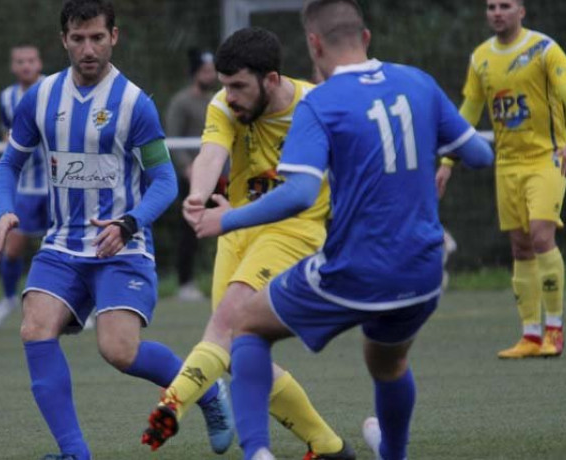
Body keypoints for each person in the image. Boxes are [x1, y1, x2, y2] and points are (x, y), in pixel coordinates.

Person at [186, 1, 494, 459]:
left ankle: (257, 454)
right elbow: (480, 156)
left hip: (355, 270)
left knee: (247, 326)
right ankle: (393, 453)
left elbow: (298, 195)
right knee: (386, 361)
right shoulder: (418, 83)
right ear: (365, 37)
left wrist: (223, 219)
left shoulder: (321, 102)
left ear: (313, 43)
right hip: (423, 273)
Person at [0, 1, 233, 458]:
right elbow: (9, 163)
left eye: (97, 37)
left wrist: (129, 221)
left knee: (119, 350)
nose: (88, 48)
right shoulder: (40, 98)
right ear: (63, 40)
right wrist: (5, 208)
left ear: (114, 37)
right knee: (35, 329)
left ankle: (207, 391)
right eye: (78, 38)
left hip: (122, 246)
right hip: (62, 245)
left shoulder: (133, 103)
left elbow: (163, 180)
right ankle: (75, 452)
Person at [142, 27, 350, 459]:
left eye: (239, 85)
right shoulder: (226, 105)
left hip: (293, 233)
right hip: (234, 231)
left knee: (225, 326)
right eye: (224, 85)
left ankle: (174, 403)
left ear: (270, 80)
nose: (229, 96)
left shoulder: (315, 107)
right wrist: (198, 195)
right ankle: (328, 445)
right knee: (238, 352)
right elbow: (211, 152)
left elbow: (323, 185)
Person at [436, 0, 566, 358]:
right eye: (491, 7)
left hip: (545, 159)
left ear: (522, 11)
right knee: (519, 244)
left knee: (540, 234)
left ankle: (554, 330)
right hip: (507, 164)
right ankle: (530, 335)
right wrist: (447, 161)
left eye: (505, 5)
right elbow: (469, 112)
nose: (497, 12)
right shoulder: (480, 58)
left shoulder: (544, 49)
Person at [0, 44, 50, 329]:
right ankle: (10, 298)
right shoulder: (7, 97)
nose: (26, 65)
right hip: (26, 185)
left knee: (67, 245)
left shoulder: (54, 88)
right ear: (13, 66)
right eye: (20, 61)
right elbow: (6, 134)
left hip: (57, 184)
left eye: (31, 60)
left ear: (39, 62)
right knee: (12, 246)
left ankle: (83, 306)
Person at [165, 48, 218, 302]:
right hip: (193, 177)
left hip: (221, 174)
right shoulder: (181, 101)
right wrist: (189, 169)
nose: (211, 75)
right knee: (190, 229)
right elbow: (173, 139)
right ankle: (185, 283)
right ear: (195, 72)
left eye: (212, 70)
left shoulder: (219, 99)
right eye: (206, 71)